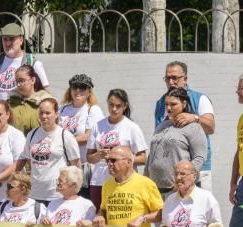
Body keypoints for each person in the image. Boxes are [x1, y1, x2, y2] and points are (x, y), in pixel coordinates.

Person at [154, 61, 214, 189]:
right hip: (168, 176)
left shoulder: (199, 99)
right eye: (167, 78)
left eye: (175, 78)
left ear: (185, 79)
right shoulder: (161, 103)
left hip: (198, 171)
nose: (171, 82)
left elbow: (211, 127)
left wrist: (195, 118)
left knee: (197, 208)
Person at [86, 89, 148, 209]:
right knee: (99, 220)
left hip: (123, 182)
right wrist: (99, 155)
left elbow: (143, 158)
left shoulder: (132, 127)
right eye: (111, 105)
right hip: (99, 181)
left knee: (120, 219)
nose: (114, 109)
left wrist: (122, 160)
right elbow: (89, 157)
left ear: (125, 106)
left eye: (118, 106)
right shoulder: (98, 126)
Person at [16, 98, 81, 204]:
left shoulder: (65, 136)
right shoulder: (32, 135)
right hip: (35, 194)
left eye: (48, 113)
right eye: (41, 113)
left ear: (56, 114)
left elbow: (76, 166)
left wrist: (73, 192)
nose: (44, 116)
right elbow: (28, 160)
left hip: (57, 195)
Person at [147, 87, 207, 195]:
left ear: (184, 104)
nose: (168, 108)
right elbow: (151, 156)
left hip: (178, 189)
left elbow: (200, 158)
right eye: (166, 104)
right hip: (155, 190)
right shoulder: (161, 126)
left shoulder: (193, 127)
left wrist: (183, 180)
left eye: (173, 104)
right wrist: (145, 180)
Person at [92, 146, 163, 227]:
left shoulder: (145, 183)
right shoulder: (107, 185)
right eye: (107, 161)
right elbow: (103, 209)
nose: (109, 164)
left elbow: (161, 213)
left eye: (113, 160)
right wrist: (100, 216)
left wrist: (142, 219)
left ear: (128, 162)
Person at [0, 22, 49, 109]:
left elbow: (46, 94)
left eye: (11, 39)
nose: (8, 44)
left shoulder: (33, 63)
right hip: (1, 119)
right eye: (5, 39)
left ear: (21, 40)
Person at [59, 74, 104, 184]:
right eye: (75, 87)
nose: (78, 90)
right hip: (63, 166)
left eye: (82, 87)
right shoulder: (62, 109)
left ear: (89, 91)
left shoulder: (93, 110)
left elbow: (88, 137)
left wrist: (63, 142)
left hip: (83, 168)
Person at [7, 64, 54, 135]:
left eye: (22, 80)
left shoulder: (45, 102)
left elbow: (53, 129)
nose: (19, 84)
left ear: (32, 80)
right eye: (17, 81)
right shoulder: (10, 103)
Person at [229, 74, 243, 227]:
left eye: (240, 88)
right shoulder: (241, 119)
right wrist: (233, 183)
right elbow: (238, 151)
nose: (237, 92)